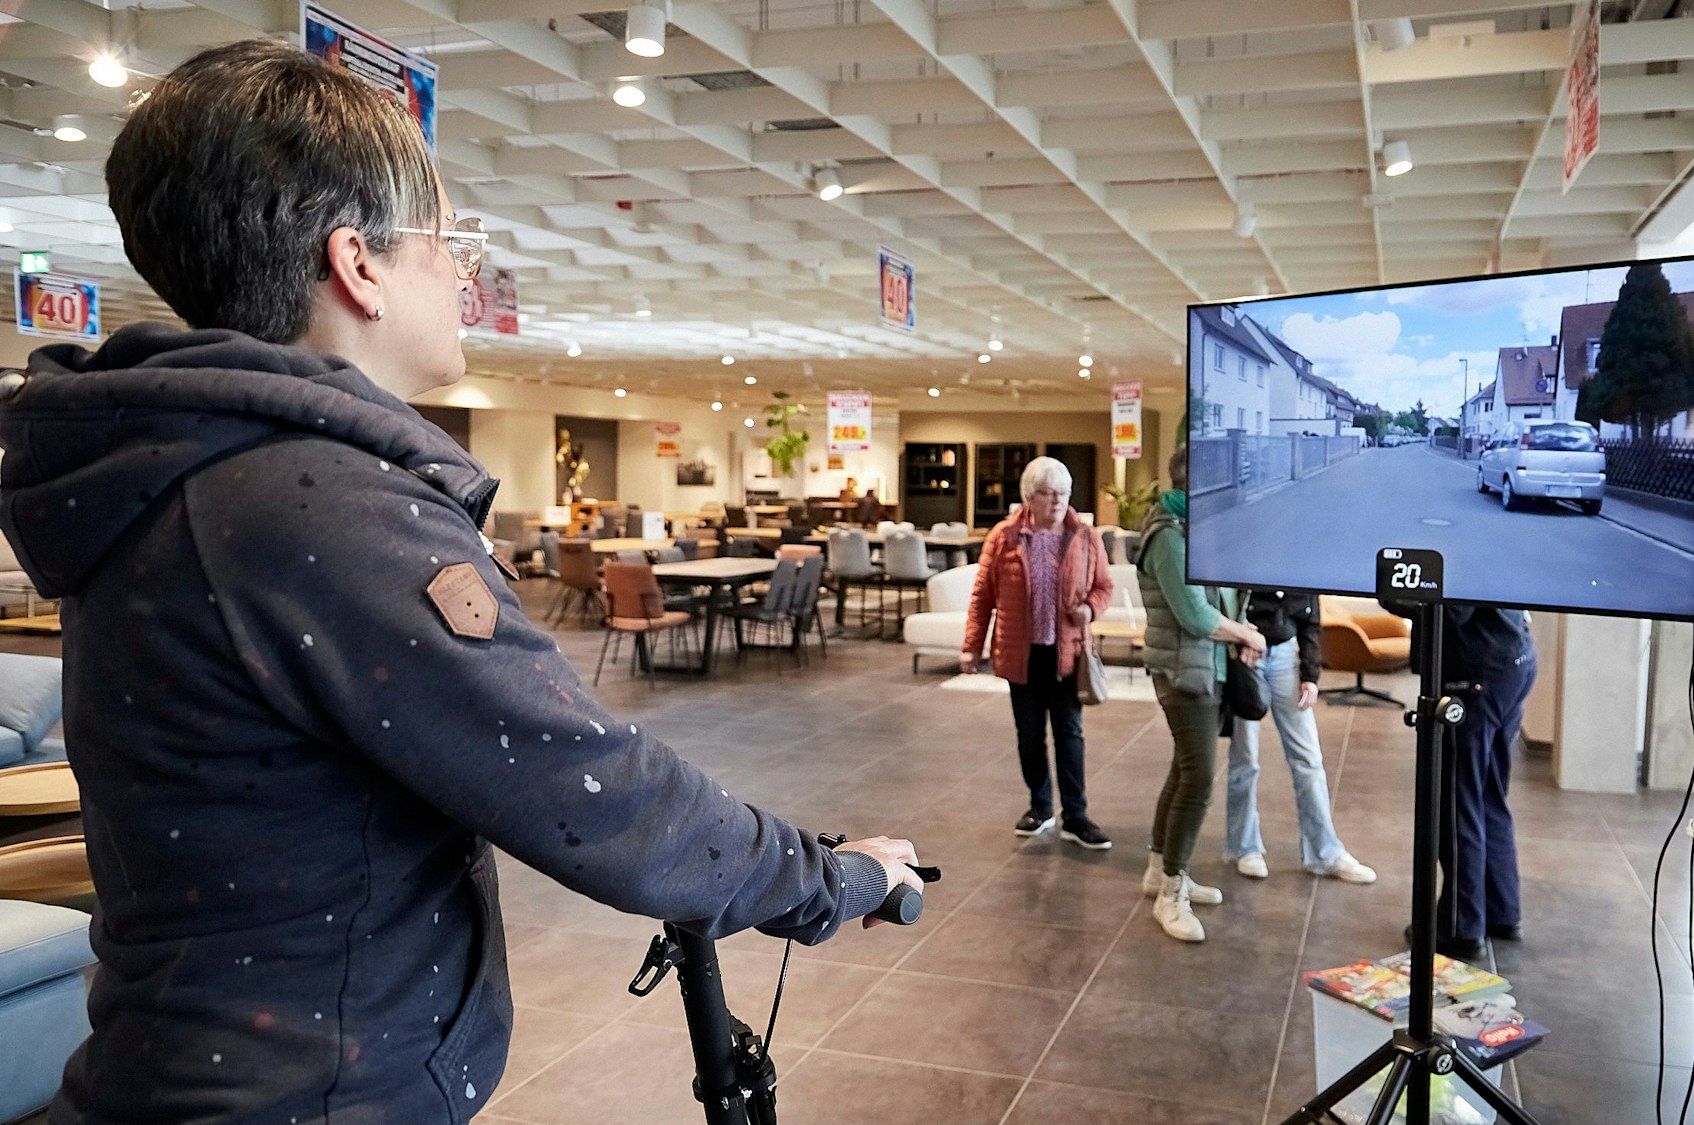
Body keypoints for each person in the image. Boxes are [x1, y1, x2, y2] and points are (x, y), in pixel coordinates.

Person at [0, 40, 921, 1122]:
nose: (463, 272)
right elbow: (592, 787)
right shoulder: (317, 505)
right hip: (310, 1095)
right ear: (359, 265)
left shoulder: (191, 472)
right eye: (448, 241)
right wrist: (833, 879)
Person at [1136, 446, 1266, 942]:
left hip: (1203, 668)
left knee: (1184, 770)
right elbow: (1193, 615)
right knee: (1198, 781)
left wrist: (1242, 631)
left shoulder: (1193, 529)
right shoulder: (1169, 535)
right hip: (1182, 671)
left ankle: (1160, 872)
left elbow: (1221, 599)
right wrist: (1246, 636)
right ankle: (1171, 895)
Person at [962, 457, 1114, 849]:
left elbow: (1104, 586)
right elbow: (983, 597)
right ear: (1029, 497)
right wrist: (971, 649)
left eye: (1063, 493)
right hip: (1021, 654)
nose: (1058, 501)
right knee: (1029, 735)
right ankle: (1040, 807)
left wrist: (1090, 609)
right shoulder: (1005, 536)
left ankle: (1076, 816)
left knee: (1070, 734)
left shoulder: (1084, 534)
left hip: (1067, 655)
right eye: (1048, 494)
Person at [1399, 605, 1536, 961]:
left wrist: (1391, 592)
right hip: (1512, 658)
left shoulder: (1458, 548)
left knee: (1459, 801)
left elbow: (1450, 607)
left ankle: (1460, 926)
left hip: (1476, 671)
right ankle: (1501, 910)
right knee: (1488, 793)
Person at [1225, 590, 1377, 884]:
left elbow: (1311, 621)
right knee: (1245, 760)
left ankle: (1326, 853)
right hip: (1246, 654)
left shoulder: (1301, 561)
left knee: (1308, 759)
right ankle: (1244, 848)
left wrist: (1310, 675)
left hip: (1286, 657)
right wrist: (1241, 633)